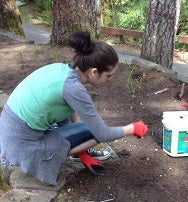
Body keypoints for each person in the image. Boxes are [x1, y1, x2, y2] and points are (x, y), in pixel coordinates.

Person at [0, 31, 148, 185]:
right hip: (23, 146)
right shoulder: (74, 89)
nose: (109, 80)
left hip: (10, 134)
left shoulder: (62, 70)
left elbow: (63, 116)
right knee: (93, 130)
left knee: (84, 127)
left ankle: (75, 154)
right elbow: (103, 134)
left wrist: (82, 153)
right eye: (108, 76)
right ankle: (44, 157)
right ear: (94, 72)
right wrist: (132, 128)